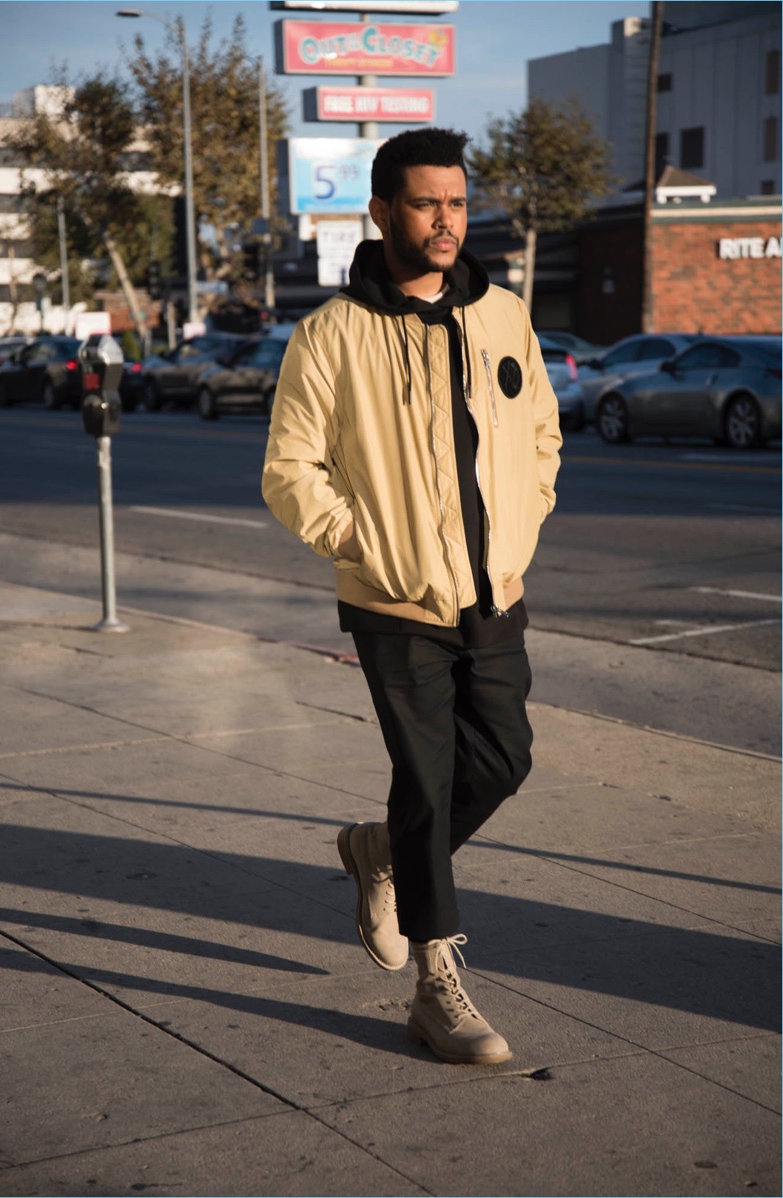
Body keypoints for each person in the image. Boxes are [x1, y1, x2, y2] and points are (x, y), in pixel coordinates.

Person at [262, 127, 561, 1066]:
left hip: (495, 593)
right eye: (427, 203)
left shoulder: (505, 316)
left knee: (505, 759)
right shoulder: (331, 335)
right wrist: (375, 550)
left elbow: (543, 436)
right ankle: (439, 985)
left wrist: (520, 530)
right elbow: (290, 471)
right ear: (383, 211)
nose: (447, 221)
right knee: (428, 779)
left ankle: (382, 852)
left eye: (458, 203)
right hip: (394, 602)